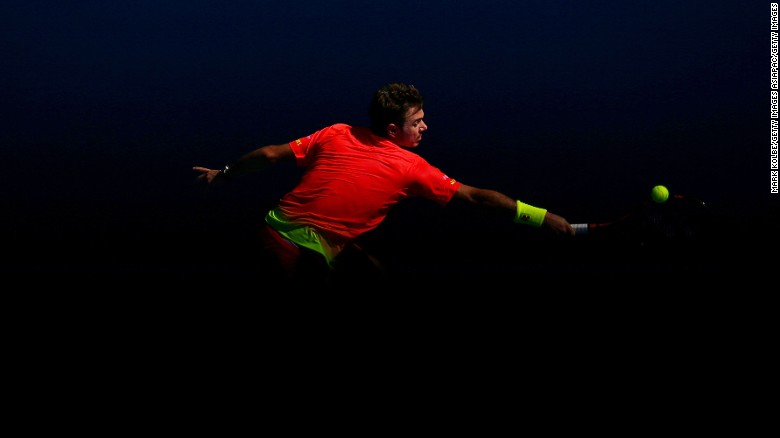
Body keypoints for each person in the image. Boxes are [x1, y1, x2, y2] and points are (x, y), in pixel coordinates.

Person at [193, 82, 575, 284]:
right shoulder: (412, 167)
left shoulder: (336, 131)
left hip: (276, 229)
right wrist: (542, 217)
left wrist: (223, 173)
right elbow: (478, 198)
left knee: (373, 271)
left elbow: (271, 154)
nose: (425, 127)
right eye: (417, 122)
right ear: (393, 129)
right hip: (292, 250)